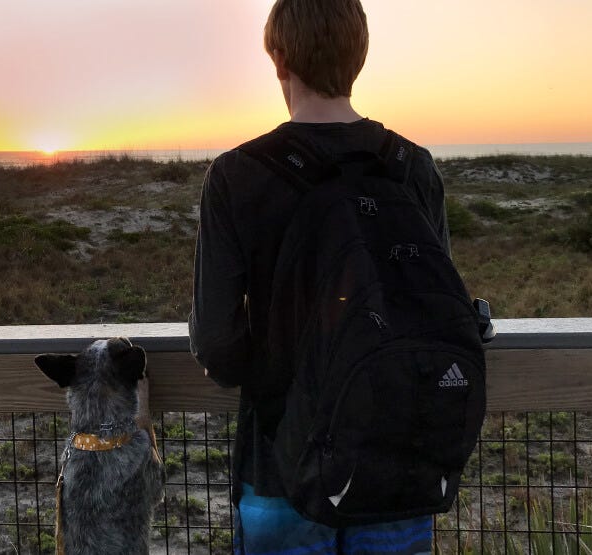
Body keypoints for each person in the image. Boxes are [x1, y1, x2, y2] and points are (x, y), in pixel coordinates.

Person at [189, 1, 450, 554]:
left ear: (279, 59)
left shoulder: (237, 176)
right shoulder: (413, 166)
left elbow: (219, 346)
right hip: (396, 465)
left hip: (281, 468)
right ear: (359, 57)